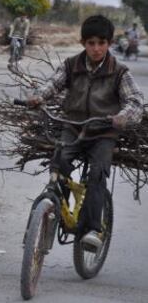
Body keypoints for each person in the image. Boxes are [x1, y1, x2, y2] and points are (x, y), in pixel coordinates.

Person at [27, 15, 143, 250]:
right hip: (73, 127)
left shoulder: (120, 72)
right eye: (91, 43)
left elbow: (136, 102)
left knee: (98, 173)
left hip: (103, 132)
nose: (96, 48)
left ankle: (92, 229)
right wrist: (39, 96)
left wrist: (122, 117)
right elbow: (53, 83)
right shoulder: (72, 65)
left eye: (101, 43)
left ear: (109, 43)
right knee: (59, 164)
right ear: (82, 43)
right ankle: (57, 209)